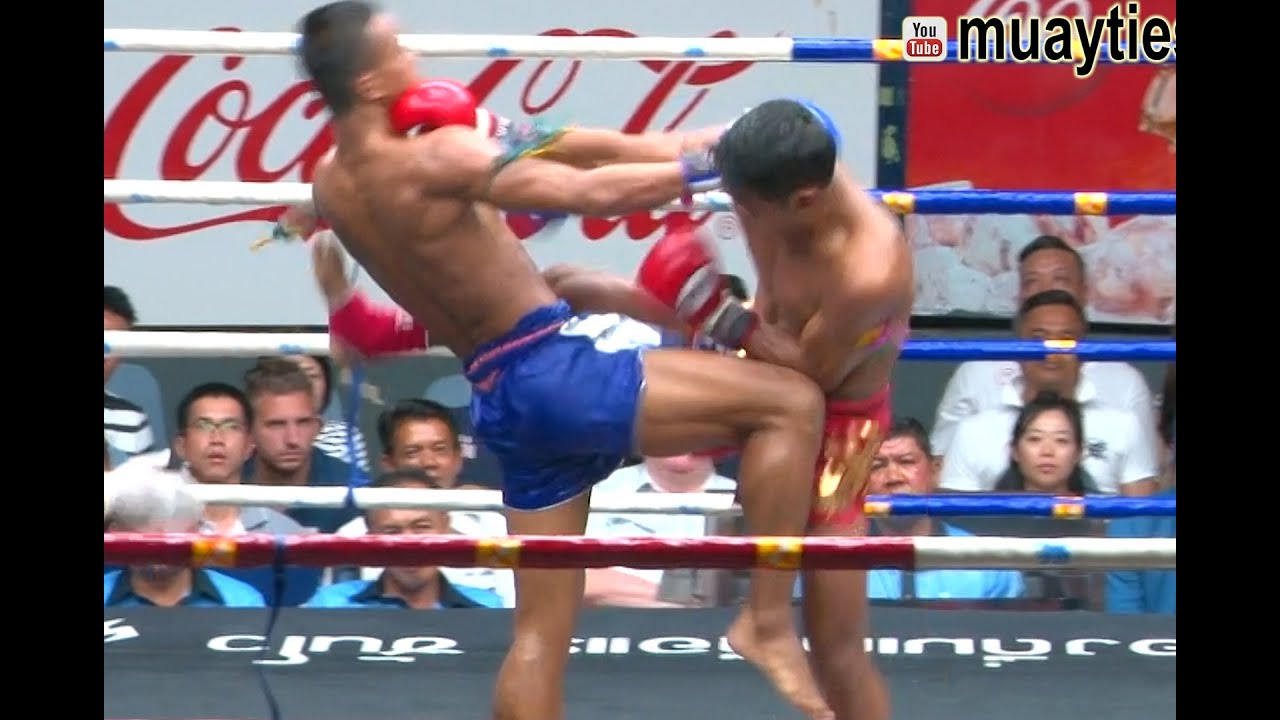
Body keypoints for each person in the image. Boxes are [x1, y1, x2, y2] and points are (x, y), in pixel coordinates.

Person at [292, 4, 844, 718]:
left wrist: (684, 146)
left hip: (500, 395)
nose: (415, 61)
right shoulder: (439, 155)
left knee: (539, 634)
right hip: (558, 374)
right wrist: (714, 164)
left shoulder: (329, 182)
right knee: (791, 403)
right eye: (399, 49)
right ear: (370, 83)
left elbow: (567, 146)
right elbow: (587, 191)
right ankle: (766, 620)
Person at [542, 99, 902, 720]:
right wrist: (522, 145)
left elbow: (809, 382)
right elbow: (634, 149)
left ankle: (764, 622)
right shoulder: (752, 159)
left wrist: (717, 313)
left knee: (837, 642)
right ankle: (401, 330)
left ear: (806, 200)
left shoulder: (870, 269)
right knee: (571, 285)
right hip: (753, 370)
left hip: (836, 420)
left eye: (751, 208)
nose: (738, 214)